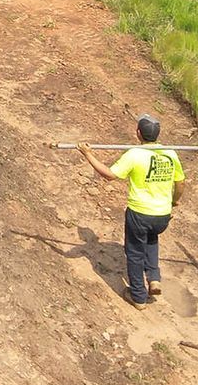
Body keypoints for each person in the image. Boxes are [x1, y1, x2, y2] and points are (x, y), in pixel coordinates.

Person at [78, 115, 185, 308]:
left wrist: (87, 154)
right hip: (162, 215)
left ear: (138, 133)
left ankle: (138, 296)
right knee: (151, 240)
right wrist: (174, 201)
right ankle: (154, 277)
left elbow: (110, 175)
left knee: (135, 252)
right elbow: (181, 183)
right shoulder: (170, 153)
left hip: (140, 213)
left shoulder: (135, 154)